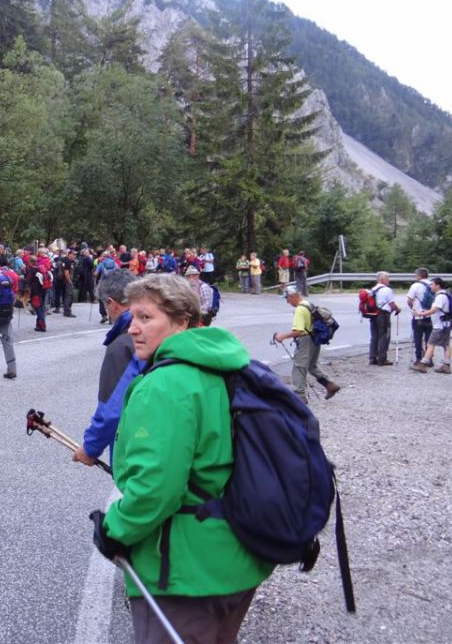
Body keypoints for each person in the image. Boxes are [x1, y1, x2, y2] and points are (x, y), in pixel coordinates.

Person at [90, 274, 273, 644]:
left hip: (183, 571)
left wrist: (114, 530)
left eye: (146, 318)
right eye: (133, 318)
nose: (134, 329)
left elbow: (157, 489)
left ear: (182, 320)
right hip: (236, 554)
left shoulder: (164, 385)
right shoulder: (225, 366)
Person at [73, 269, 142, 468]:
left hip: (137, 446)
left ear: (112, 304)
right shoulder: (159, 327)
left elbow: (113, 407)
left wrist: (90, 448)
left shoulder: (122, 345)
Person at [274, 286, 342, 402]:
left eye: (287, 299)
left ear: (293, 297)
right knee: (311, 366)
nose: (287, 302)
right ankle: (330, 385)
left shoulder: (299, 309)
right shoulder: (308, 304)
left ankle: (299, 396)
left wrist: (281, 336)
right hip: (315, 338)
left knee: (299, 367)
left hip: (305, 340)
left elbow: (298, 331)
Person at [411, 277, 452, 374]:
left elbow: (434, 310)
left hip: (440, 326)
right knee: (446, 345)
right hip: (446, 324)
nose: (430, 286)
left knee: (430, 344)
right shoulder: (444, 294)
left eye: (432, 284)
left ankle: (423, 364)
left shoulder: (440, 296)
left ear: (438, 286)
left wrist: (420, 314)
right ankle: (446, 365)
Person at [367, 271, 401, 366]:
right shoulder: (387, 290)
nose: (389, 280)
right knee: (384, 336)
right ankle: (382, 359)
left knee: (374, 336)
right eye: (387, 278)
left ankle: (372, 357)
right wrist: (398, 309)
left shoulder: (373, 289)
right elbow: (391, 304)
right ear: (382, 279)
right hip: (383, 315)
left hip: (373, 315)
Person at [406, 268, 434, 365]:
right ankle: (429, 359)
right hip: (430, 315)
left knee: (418, 338)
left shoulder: (415, 285)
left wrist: (413, 308)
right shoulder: (433, 285)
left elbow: (409, 301)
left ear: (419, 276)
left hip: (418, 315)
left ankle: (419, 358)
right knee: (429, 339)